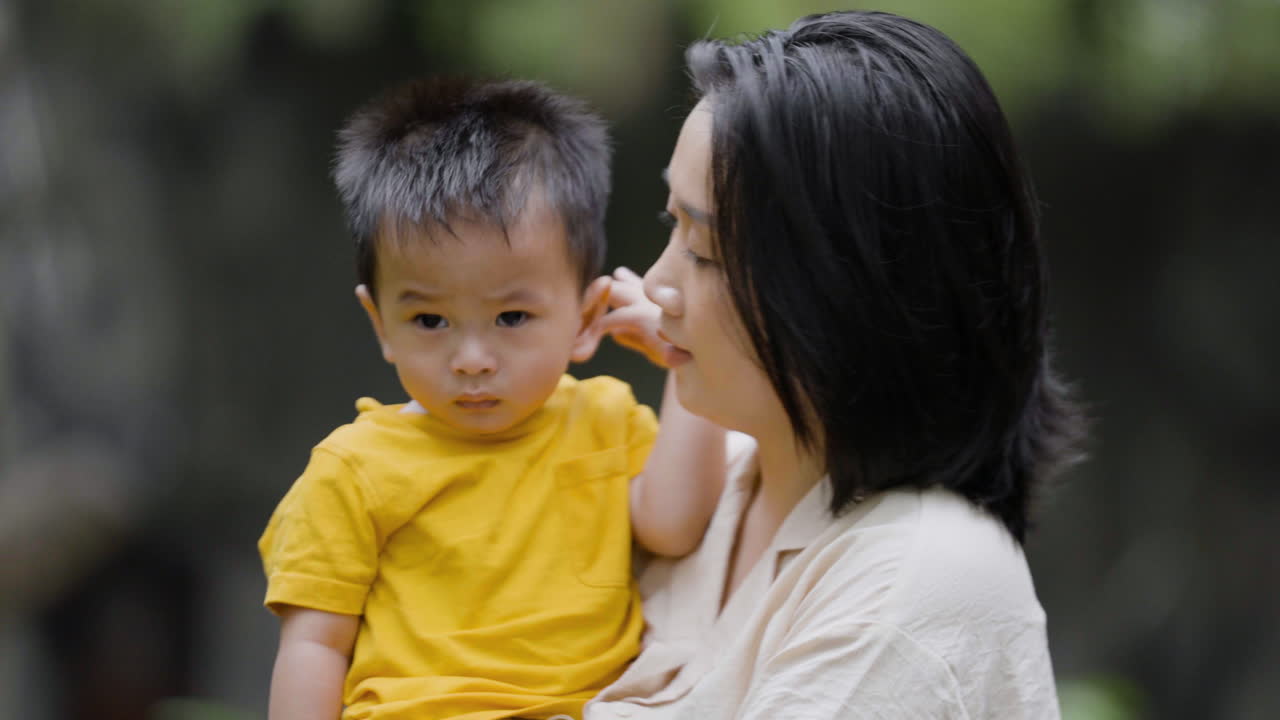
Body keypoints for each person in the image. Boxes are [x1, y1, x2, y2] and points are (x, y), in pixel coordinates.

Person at [582, 10, 1086, 719]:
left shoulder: (912, 587)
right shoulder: (711, 483)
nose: (657, 283)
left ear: (847, 288)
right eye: (675, 227)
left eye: (707, 251)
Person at [258, 76, 723, 720]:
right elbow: (313, 643)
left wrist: (682, 353)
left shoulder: (606, 422)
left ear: (588, 318)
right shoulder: (354, 471)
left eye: (511, 318)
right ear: (381, 326)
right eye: (429, 321)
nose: (471, 360)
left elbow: (674, 524)